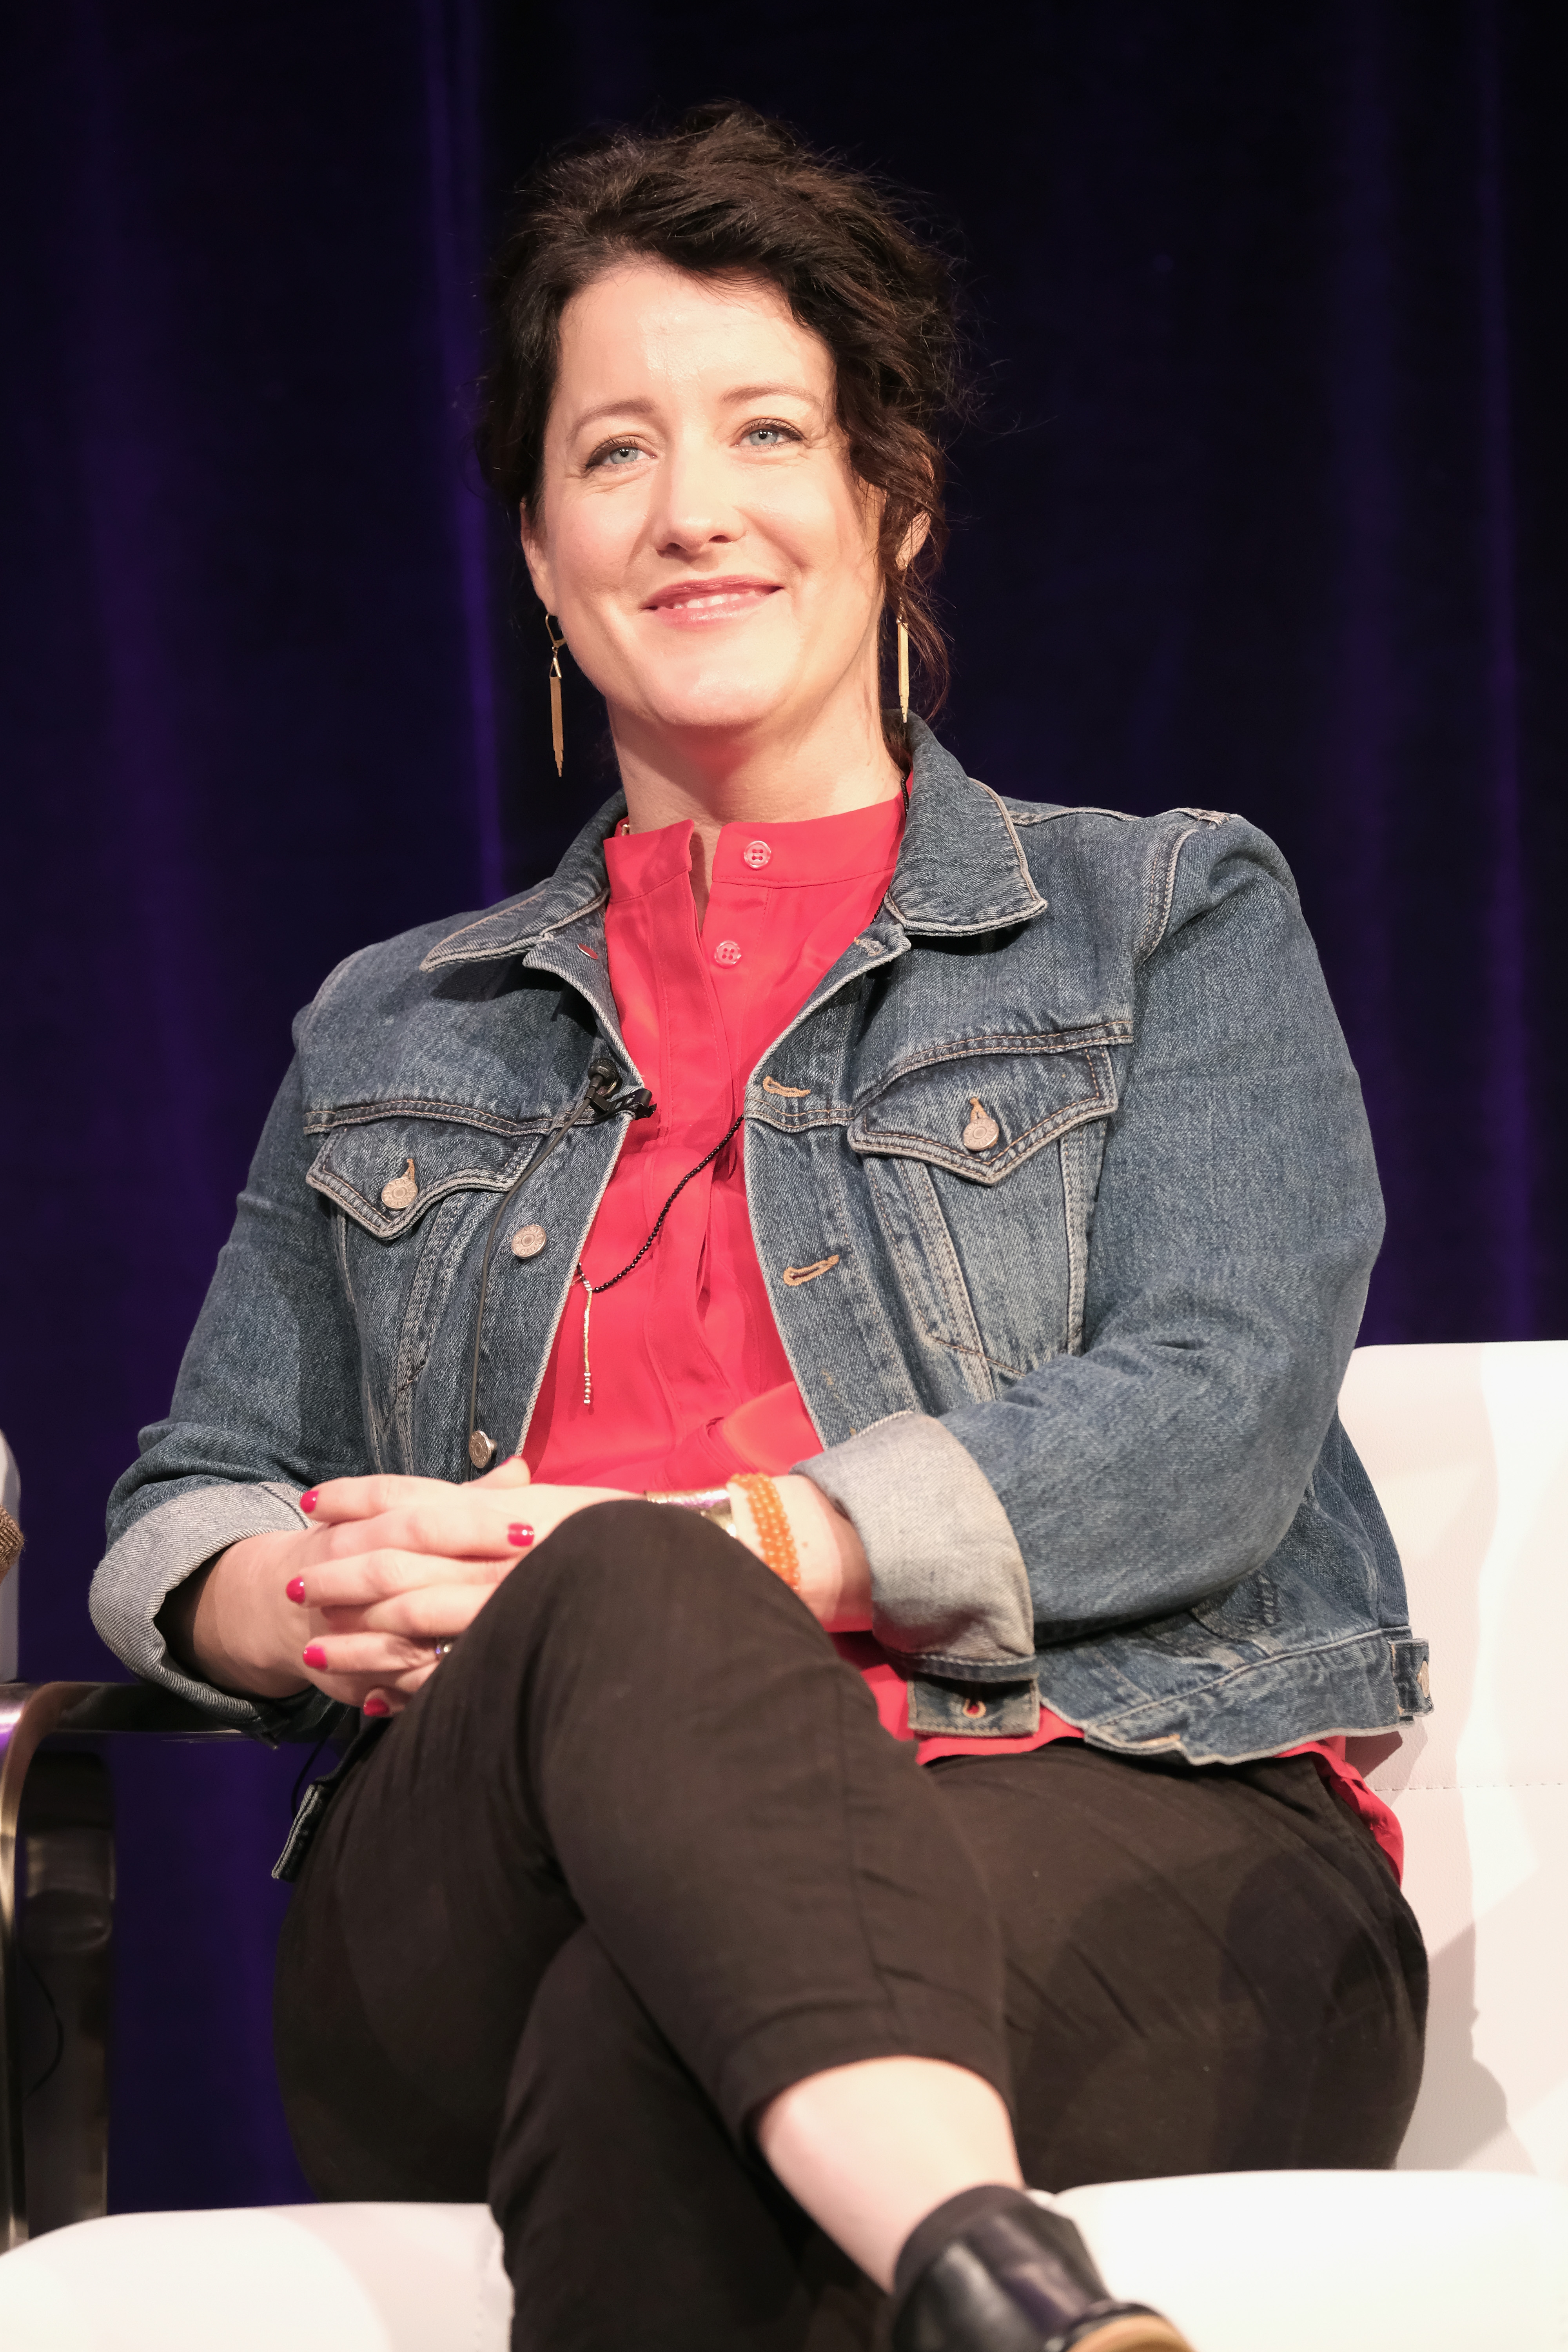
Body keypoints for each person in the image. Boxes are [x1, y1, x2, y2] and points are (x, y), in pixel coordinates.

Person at [93, 103, 1429, 2352]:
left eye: (766, 434)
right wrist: (316, 1597)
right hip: (482, 1900)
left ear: (888, 503)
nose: (691, 509)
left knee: (657, 2042)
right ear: (536, 548)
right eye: (611, 454)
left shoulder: (1166, 914)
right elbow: (178, 1505)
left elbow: (1212, 1412)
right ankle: (996, 2280)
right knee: (610, 1606)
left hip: (1127, 1837)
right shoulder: (391, 1024)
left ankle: (969, 2266)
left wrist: (766, 1543)